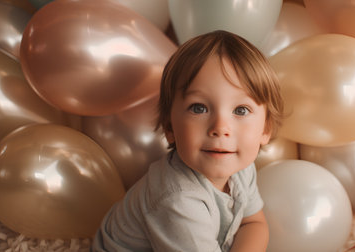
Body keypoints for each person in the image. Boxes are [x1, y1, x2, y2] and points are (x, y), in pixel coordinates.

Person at [92, 30, 284, 252]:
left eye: (241, 110)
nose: (220, 128)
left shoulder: (241, 166)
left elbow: (254, 223)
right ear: (170, 127)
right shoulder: (177, 200)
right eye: (199, 108)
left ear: (265, 129)